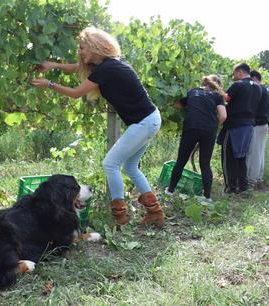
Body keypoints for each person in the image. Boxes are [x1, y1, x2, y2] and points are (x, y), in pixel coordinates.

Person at [30, 27, 164, 226]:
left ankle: (121, 218)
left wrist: (49, 84)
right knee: (130, 166)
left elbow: (76, 93)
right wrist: (53, 65)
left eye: (82, 48)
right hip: (149, 119)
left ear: (95, 47)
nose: (80, 52)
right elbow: (78, 68)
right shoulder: (108, 65)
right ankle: (155, 212)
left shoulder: (107, 68)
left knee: (110, 164)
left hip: (144, 122)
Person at [166, 75, 227, 200]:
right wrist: (212, 126)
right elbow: (223, 116)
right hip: (209, 130)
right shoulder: (218, 96)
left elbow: (178, 105)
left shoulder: (193, 91)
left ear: (204, 82)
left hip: (191, 127)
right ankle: (207, 198)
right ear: (217, 86)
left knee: (181, 161)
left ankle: (170, 191)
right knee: (205, 163)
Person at [217, 63, 262, 194]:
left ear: (239, 72)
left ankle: (230, 188)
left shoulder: (237, 85)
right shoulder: (258, 88)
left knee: (228, 157)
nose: (233, 76)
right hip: (248, 127)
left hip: (234, 126)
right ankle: (242, 188)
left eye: (234, 73)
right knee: (242, 157)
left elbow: (224, 100)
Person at [246, 70, 269, 190]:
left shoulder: (258, 89)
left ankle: (251, 181)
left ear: (254, 78)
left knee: (253, 154)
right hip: (264, 124)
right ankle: (258, 179)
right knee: (259, 153)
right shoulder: (266, 89)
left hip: (257, 124)